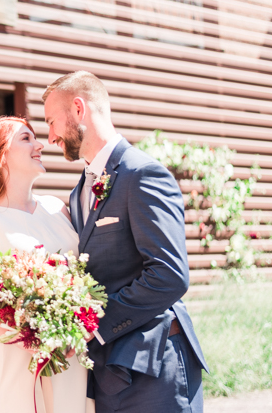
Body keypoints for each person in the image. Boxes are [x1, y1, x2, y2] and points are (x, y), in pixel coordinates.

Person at [42, 71, 208, 413]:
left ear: (78, 108)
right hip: (108, 373)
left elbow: (169, 275)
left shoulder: (142, 174)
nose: (50, 136)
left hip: (155, 367)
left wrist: (92, 325)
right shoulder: (78, 193)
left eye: (51, 122)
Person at [0, 117, 91, 413]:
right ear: (1, 155)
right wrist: (25, 335)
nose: (39, 145)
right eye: (26, 138)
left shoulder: (57, 208)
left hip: (74, 354)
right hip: (23, 364)